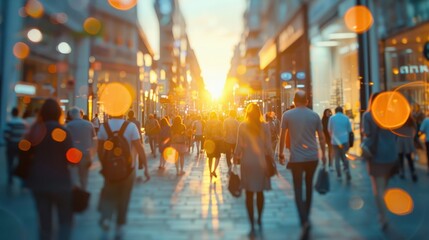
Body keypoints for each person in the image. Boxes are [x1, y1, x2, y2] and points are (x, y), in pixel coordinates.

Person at [24, 99, 74, 240]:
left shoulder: (35, 131)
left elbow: (24, 153)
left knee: (44, 221)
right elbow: (72, 158)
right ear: (59, 113)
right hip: (61, 181)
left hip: (39, 181)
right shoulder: (63, 132)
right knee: (65, 220)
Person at [278, 91, 326, 237]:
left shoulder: (287, 115)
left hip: (297, 159)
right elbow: (322, 138)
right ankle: (306, 214)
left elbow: (282, 136)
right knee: (309, 185)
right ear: (306, 101)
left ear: (294, 100)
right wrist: (323, 154)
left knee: (298, 188)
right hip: (312, 157)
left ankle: (304, 219)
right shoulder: (315, 115)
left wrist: (280, 153)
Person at [97, 112, 149, 239]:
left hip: (109, 169)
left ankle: (106, 219)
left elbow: (99, 149)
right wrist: (146, 167)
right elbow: (139, 147)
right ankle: (119, 226)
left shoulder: (104, 127)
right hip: (128, 169)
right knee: (124, 198)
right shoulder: (130, 127)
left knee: (109, 194)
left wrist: (105, 164)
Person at [361, 92, 398, 230]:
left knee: (378, 189)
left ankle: (383, 217)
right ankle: (384, 213)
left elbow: (368, 136)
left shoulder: (368, 116)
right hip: (391, 155)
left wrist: (363, 147)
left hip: (376, 155)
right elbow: (396, 135)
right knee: (385, 187)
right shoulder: (391, 114)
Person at [234, 103, 273, 233]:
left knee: (249, 193)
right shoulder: (265, 126)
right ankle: (259, 218)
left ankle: (251, 222)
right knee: (260, 192)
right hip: (261, 163)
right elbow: (268, 147)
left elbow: (239, 146)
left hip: (247, 162)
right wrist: (272, 161)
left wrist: (235, 156)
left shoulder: (243, 126)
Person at [66, 107, 97, 190]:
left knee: (73, 179)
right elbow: (94, 140)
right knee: (84, 179)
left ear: (71, 115)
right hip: (86, 155)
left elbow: (66, 141)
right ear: (80, 114)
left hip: (73, 156)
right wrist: (92, 155)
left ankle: (74, 198)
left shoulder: (69, 125)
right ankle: (83, 197)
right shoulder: (89, 124)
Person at [4, 107, 28, 188]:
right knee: (22, 163)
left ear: (12, 113)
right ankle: (23, 182)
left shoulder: (9, 123)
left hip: (11, 145)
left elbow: (6, 135)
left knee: (10, 162)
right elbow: (26, 135)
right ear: (18, 113)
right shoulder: (23, 123)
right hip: (21, 145)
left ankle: (10, 179)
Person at [328, 106, 352, 181]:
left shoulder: (332, 118)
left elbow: (329, 129)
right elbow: (349, 130)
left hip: (335, 141)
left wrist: (332, 136)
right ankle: (347, 169)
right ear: (342, 111)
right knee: (345, 156)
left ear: (335, 111)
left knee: (337, 158)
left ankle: (339, 175)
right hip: (344, 140)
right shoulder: (346, 118)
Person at [396, 115, 418, 181]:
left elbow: (396, 130)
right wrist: (412, 135)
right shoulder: (411, 120)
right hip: (408, 140)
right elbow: (415, 128)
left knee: (401, 157)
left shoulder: (399, 120)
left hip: (400, 140)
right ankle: (413, 172)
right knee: (409, 157)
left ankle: (402, 172)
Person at [204, 112, 224, 178]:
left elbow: (205, 132)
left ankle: (210, 171)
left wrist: (207, 138)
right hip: (217, 141)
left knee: (210, 158)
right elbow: (222, 132)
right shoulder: (219, 123)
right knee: (217, 157)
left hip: (210, 141)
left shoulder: (208, 122)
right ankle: (214, 170)